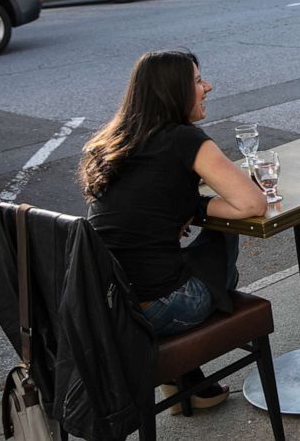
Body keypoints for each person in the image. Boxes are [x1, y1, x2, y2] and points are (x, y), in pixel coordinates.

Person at [78, 50, 267, 413]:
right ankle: (180, 370)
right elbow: (252, 204)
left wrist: (186, 208)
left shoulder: (113, 143)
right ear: (173, 91)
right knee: (223, 236)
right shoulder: (183, 139)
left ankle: (184, 381)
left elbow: (135, 213)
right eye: (197, 81)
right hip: (161, 309)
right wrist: (194, 207)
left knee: (170, 258)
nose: (207, 87)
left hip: (105, 304)